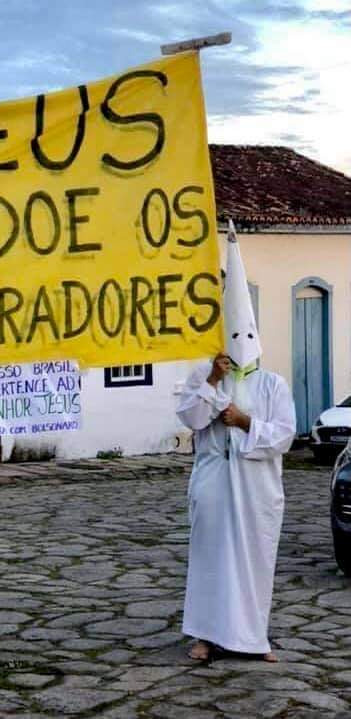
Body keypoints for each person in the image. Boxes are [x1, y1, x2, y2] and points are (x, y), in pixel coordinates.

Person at [176, 221, 296, 662]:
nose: (240, 345)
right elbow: (189, 415)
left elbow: (284, 435)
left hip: (256, 488)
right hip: (213, 481)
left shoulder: (272, 385)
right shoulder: (202, 375)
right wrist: (212, 381)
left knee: (252, 560)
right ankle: (206, 636)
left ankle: (252, 638)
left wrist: (245, 421)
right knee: (211, 557)